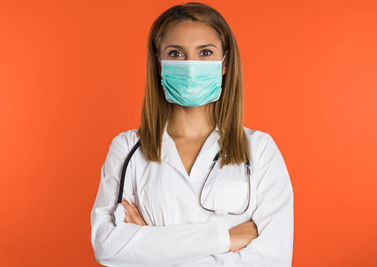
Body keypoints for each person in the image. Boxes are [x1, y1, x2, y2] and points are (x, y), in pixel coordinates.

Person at [90, 2, 294, 266]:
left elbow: (272, 259)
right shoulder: (127, 148)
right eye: (175, 54)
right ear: (159, 62)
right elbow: (107, 247)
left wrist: (150, 245)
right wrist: (224, 239)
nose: (190, 66)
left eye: (205, 52)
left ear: (224, 63)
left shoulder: (260, 149)